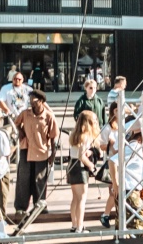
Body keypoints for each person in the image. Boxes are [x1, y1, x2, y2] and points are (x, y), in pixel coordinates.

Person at [13, 89, 58, 225]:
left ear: (42, 102)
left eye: (35, 100)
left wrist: (53, 155)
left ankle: (40, 205)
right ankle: (21, 208)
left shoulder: (49, 116)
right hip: (26, 150)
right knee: (23, 179)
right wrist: (20, 131)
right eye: (30, 99)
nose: (32, 102)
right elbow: (16, 122)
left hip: (41, 151)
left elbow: (53, 137)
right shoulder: (25, 113)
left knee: (39, 180)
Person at [65, 109, 106, 231]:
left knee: (75, 198)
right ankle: (80, 227)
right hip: (80, 168)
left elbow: (77, 152)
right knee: (82, 199)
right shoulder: (86, 136)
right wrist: (92, 166)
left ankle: (74, 225)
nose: (96, 122)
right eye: (94, 120)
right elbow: (81, 156)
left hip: (71, 166)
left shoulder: (74, 135)